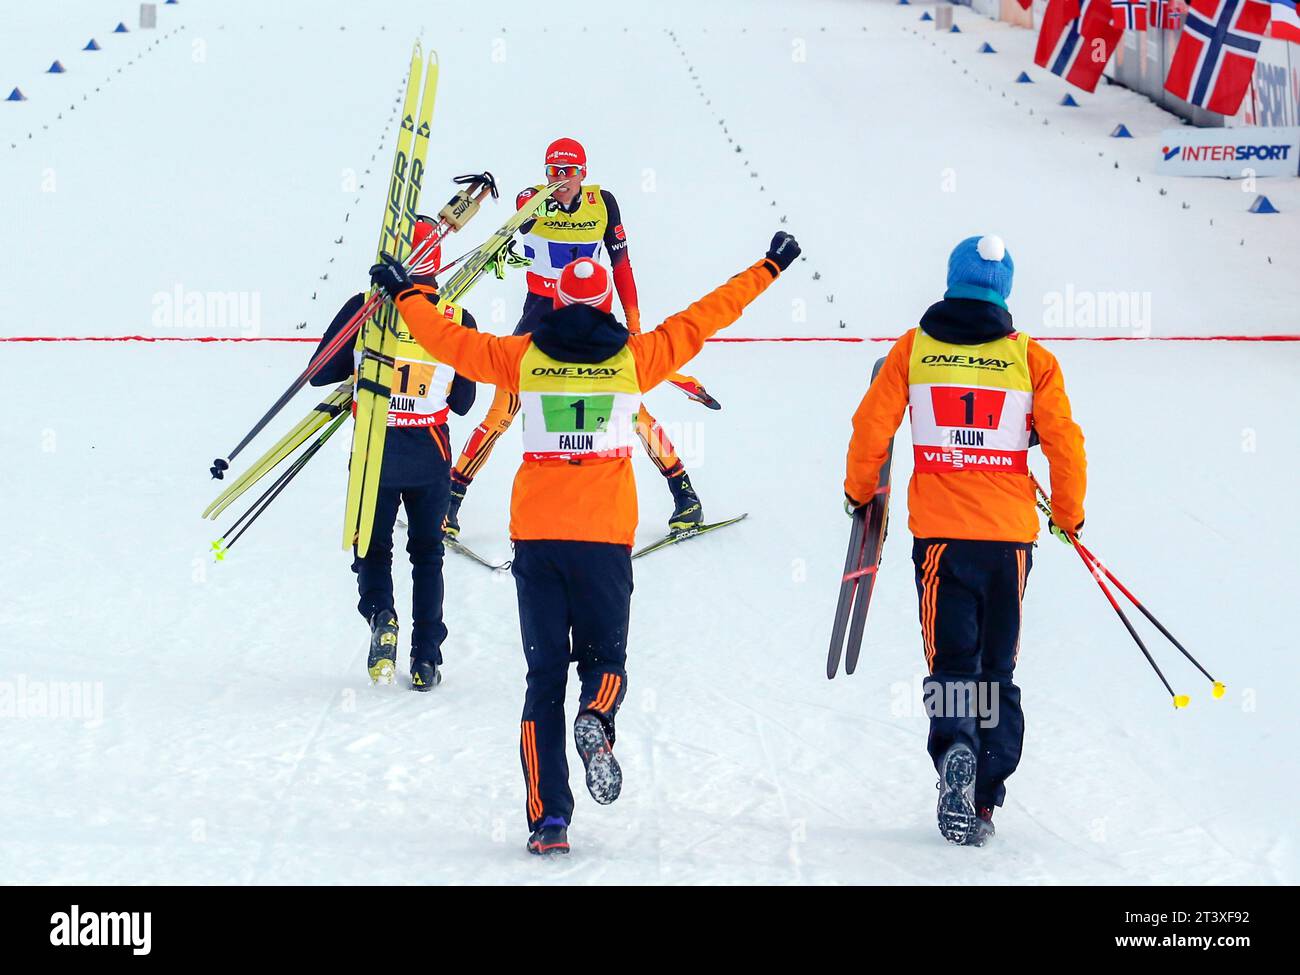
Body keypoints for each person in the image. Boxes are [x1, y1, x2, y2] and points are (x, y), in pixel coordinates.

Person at [370, 231, 801, 855]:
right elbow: (709, 313)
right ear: (604, 305)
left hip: (539, 540)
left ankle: (548, 821)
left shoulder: (520, 357)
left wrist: (406, 292)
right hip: (603, 542)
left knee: (542, 677)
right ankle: (597, 713)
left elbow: (447, 342)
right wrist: (770, 266)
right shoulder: (637, 357)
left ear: (553, 307)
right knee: (605, 659)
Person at [843, 235, 1086, 847]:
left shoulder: (915, 348)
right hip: (1009, 541)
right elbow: (1064, 442)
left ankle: (956, 745)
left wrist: (859, 491)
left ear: (951, 280)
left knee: (953, 662)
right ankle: (983, 797)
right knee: (996, 670)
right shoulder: (1032, 358)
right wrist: (1068, 513)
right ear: (1004, 290)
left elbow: (872, 424)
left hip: (942, 540)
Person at [445, 137, 708, 539]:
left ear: (583, 172)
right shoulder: (532, 199)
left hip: (590, 317)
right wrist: (538, 205)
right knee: (503, 411)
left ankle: (684, 494)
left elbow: (621, 265)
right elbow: (525, 212)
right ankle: (451, 498)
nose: (560, 180)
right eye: (553, 171)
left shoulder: (603, 202)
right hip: (541, 317)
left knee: (630, 408)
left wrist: (633, 321)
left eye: (568, 172)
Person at [310, 216, 477, 690]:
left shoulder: (363, 308)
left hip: (373, 453)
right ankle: (426, 659)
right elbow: (463, 404)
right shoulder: (456, 317)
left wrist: (365, 367)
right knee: (427, 556)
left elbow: (320, 372)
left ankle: (382, 614)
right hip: (430, 454)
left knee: (371, 550)